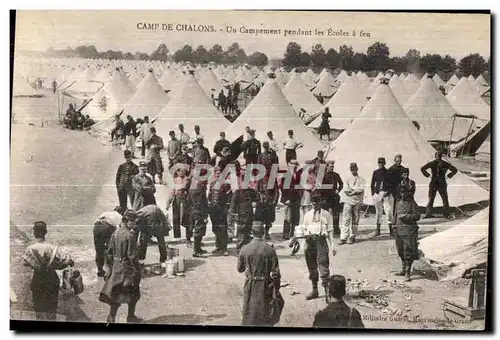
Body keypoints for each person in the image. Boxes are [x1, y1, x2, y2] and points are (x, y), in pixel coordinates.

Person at [22, 221, 74, 320]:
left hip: (37, 280)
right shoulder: (54, 248)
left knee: (39, 309)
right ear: (45, 232)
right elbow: (65, 261)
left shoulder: (30, 249)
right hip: (52, 280)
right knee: (52, 309)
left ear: (35, 233)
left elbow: (25, 262)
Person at [99, 210, 142, 323]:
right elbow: (132, 256)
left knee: (116, 293)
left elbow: (108, 253)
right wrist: (138, 270)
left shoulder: (115, 233)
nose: (135, 224)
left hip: (116, 268)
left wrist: (108, 267)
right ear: (127, 221)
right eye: (134, 222)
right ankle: (131, 317)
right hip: (127, 269)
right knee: (134, 293)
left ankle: (111, 317)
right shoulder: (130, 235)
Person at [237, 222, 282, 326]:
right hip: (265, 285)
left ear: (252, 233)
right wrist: (276, 288)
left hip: (250, 284)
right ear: (263, 233)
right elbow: (276, 273)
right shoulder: (270, 249)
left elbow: (240, 269)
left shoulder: (245, 248)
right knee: (265, 313)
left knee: (249, 312)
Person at [301, 192, 336, 302]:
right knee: (312, 268)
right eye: (312, 204)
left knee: (323, 266)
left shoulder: (326, 214)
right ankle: (315, 290)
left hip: (321, 241)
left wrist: (333, 245)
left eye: (316, 203)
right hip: (310, 241)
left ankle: (327, 293)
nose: (314, 206)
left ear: (320, 203)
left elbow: (330, 231)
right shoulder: (307, 215)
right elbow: (304, 229)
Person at [393, 168, 421, 282]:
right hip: (399, 231)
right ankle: (403, 269)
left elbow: (417, 216)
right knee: (400, 250)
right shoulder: (398, 203)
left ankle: (408, 272)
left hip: (409, 231)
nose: (403, 194)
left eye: (404, 193)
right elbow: (395, 216)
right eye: (401, 192)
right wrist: (394, 227)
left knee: (408, 251)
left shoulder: (412, 203)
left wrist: (406, 217)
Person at [228, 168, 259, 251]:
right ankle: (239, 250)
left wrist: (255, 201)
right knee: (241, 234)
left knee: (248, 233)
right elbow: (232, 206)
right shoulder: (237, 192)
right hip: (241, 216)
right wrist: (234, 215)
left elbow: (257, 198)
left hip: (249, 216)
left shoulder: (251, 192)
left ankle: (247, 249)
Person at [421, 151, 457, 219]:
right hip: (435, 184)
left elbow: (455, 170)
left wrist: (448, 176)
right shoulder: (433, 163)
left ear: (441, 157)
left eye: (439, 157)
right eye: (437, 157)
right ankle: (428, 214)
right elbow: (422, 169)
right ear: (435, 157)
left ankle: (446, 214)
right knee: (431, 199)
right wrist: (428, 175)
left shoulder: (444, 163)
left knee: (444, 199)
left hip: (441, 184)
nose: (438, 158)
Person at [94, 206, 125, 277]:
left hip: (97, 226)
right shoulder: (120, 216)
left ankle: (100, 270)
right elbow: (119, 231)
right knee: (110, 248)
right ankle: (111, 269)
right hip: (107, 227)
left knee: (99, 249)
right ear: (121, 212)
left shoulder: (106, 213)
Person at [339, 163, 365, 245]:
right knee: (346, 219)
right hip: (348, 200)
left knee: (355, 219)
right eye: (351, 169)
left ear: (357, 169)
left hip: (357, 201)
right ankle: (343, 237)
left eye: (354, 169)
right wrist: (354, 191)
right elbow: (346, 189)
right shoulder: (347, 178)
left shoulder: (361, 179)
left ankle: (352, 236)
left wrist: (353, 190)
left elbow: (361, 189)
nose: (353, 170)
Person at [208, 166, 231, 255]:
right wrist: (210, 205)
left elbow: (229, 198)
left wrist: (226, 208)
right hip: (214, 210)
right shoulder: (212, 183)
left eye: (219, 173)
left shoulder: (226, 184)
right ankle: (218, 246)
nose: (218, 175)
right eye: (216, 173)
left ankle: (224, 248)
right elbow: (210, 196)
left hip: (222, 209)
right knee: (216, 228)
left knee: (223, 228)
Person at [370, 157, 395, 237]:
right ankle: (378, 229)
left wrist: (388, 192)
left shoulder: (389, 172)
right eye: (379, 163)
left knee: (389, 212)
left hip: (387, 194)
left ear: (385, 163)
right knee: (378, 212)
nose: (381, 164)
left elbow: (392, 184)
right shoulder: (376, 172)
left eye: (382, 163)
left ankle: (391, 230)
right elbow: (372, 184)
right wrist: (374, 194)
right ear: (378, 163)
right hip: (378, 193)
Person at [166, 167, 191, 240]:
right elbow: (172, 192)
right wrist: (168, 202)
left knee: (186, 218)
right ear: (177, 172)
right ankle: (177, 236)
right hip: (176, 199)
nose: (182, 173)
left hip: (185, 200)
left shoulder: (188, 179)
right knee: (176, 217)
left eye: (183, 171)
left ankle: (188, 236)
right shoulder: (175, 180)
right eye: (180, 171)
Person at [319, 161, 343, 236]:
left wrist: (338, 190)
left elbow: (341, 184)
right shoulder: (322, 175)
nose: (332, 168)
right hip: (325, 198)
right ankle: (325, 230)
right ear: (327, 166)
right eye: (330, 166)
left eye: (333, 166)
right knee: (325, 215)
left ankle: (336, 230)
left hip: (334, 197)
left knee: (336, 214)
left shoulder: (336, 175)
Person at [280, 159, 302, 240]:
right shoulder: (286, 175)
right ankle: (286, 234)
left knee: (296, 217)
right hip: (289, 199)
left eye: (296, 164)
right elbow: (283, 188)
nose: (295, 166)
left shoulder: (298, 175)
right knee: (288, 218)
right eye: (293, 164)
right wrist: (286, 199)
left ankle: (293, 233)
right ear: (289, 164)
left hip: (296, 199)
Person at [255, 174, 280, 240]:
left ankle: (266, 233)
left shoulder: (273, 180)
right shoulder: (259, 180)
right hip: (261, 202)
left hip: (270, 203)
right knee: (260, 219)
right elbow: (256, 191)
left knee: (268, 220)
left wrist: (274, 202)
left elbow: (276, 192)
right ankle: (260, 233)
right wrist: (258, 200)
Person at [188, 183, 209, 257]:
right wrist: (205, 215)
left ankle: (198, 248)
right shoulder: (200, 189)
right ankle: (196, 251)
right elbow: (202, 203)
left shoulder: (192, 187)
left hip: (194, 211)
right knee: (199, 231)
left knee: (199, 230)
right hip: (200, 212)